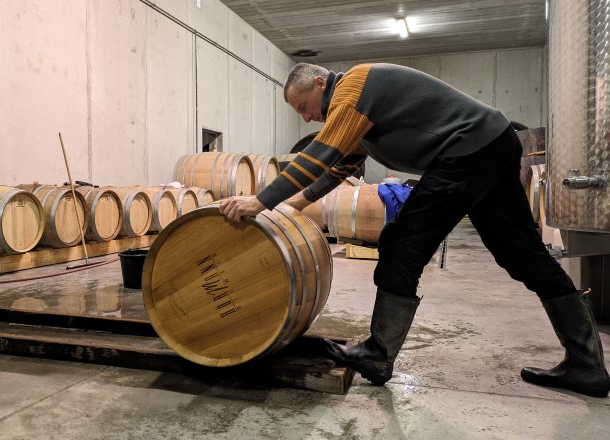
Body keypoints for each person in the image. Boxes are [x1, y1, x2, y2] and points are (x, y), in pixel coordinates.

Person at [218, 62, 610, 398]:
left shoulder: (352, 89)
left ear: (320, 84)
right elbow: (338, 168)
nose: (306, 118)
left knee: (402, 244)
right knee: (521, 254)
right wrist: (293, 206)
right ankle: (587, 366)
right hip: (491, 142)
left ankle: (378, 353)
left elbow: (320, 155)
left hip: (467, 150)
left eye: (304, 107)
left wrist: (260, 201)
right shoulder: (355, 109)